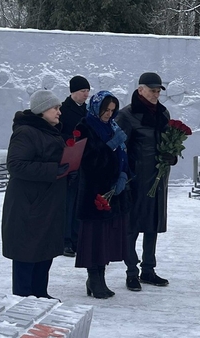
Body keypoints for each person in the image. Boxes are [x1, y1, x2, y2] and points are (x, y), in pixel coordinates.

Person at [1, 90, 69, 298]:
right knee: (26, 252)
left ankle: (40, 293)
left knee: (43, 249)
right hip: (28, 204)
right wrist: (52, 170)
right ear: (42, 110)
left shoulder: (49, 130)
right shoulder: (26, 132)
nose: (59, 112)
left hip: (46, 202)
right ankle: (23, 298)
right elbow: (16, 165)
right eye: (55, 108)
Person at [116, 72, 178, 291]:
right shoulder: (126, 115)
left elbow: (168, 140)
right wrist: (124, 177)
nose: (156, 94)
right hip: (136, 179)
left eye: (158, 90)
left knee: (152, 225)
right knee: (131, 227)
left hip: (158, 178)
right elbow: (119, 148)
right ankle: (131, 272)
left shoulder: (163, 112)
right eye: (152, 90)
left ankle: (148, 270)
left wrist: (172, 156)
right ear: (140, 89)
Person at [74, 91, 131, 299]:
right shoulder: (84, 127)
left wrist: (124, 174)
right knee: (94, 238)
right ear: (96, 108)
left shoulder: (112, 126)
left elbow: (124, 155)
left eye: (112, 110)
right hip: (94, 192)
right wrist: (111, 146)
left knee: (105, 238)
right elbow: (88, 161)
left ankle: (101, 277)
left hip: (113, 192)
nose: (109, 114)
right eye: (106, 110)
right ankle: (93, 278)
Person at [60, 75, 91, 257]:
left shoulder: (87, 111)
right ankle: (66, 240)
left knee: (80, 200)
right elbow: (57, 133)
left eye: (87, 91)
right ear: (73, 92)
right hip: (69, 160)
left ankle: (77, 237)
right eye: (82, 91)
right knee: (69, 201)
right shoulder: (63, 110)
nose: (86, 94)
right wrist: (71, 140)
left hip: (84, 160)